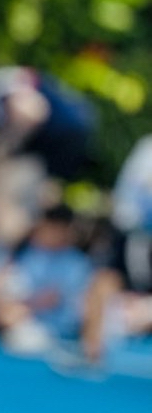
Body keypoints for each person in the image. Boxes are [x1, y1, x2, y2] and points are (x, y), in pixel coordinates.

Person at [0, 65, 99, 248]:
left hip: (60, 140)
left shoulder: (3, 89)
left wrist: (5, 147)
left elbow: (32, 112)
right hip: (66, 139)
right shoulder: (20, 81)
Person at [0, 203, 99, 358]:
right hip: (25, 316)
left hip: (55, 329)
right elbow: (12, 281)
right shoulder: (31, 253)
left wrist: (21, 308)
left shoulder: (76, 263)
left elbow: (51, 299)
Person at [81, 134, 152, 369]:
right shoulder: (148, 147)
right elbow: (133, 193)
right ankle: (92, 350)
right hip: (134, 233)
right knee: (105, 282)